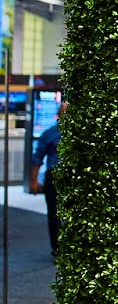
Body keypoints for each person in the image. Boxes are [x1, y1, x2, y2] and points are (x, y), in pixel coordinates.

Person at [30, 99, 66, 258]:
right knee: (54, 214)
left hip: (72, 177)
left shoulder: (80, 134)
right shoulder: (50, 134)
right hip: (54, 176)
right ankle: (57, 249)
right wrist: (33, 181)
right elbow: (37, 158)